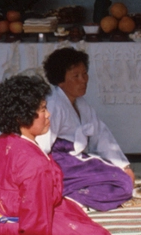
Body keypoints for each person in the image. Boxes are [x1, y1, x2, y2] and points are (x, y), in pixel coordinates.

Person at [0, 75, 128, 235]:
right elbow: (35, 215)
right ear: (23, 117)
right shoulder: (34, 164)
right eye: (42, 109)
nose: (48, 114)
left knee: (74, 214)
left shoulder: (4, 140)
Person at [42, 47, 134, 211]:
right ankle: (69, 196)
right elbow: (42, 145)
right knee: (120, 184)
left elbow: (101, 135)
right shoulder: (54, 105)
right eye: (76, 76)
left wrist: (123, 166)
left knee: (123, 179)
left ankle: (73, 194)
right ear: (60, 80)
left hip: (77, 160)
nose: (83, 80)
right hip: (60, 164)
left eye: (84, 74)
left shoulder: (82, 104)